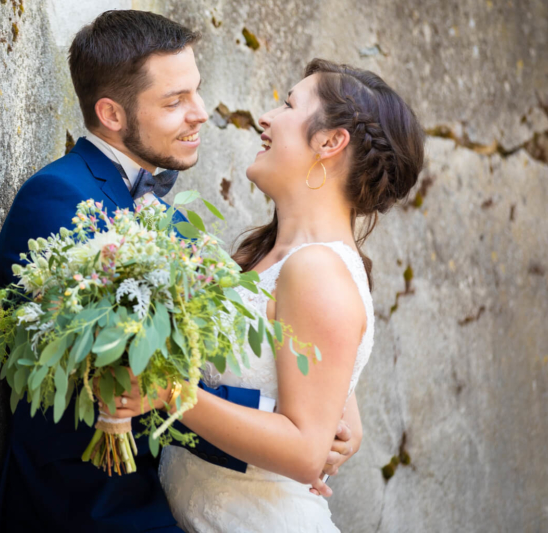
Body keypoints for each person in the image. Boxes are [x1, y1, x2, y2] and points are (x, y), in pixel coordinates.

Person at [0, 11, 363, 532]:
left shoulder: (175, 222)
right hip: (90, 506)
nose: (201, 114)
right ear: (111, 114)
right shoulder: (57, 198)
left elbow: (238, 338)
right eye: (175, 102)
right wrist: (295, 432)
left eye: (197, 91)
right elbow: (120, 377)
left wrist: (330, 410)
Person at [113, 59, 426, 531]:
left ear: (330, 142)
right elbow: (298, 369)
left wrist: (170, 393)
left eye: (288, 105)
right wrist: (342, 407)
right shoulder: (269, 255)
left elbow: (305, 452)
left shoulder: (317, 269)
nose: (266, 117)